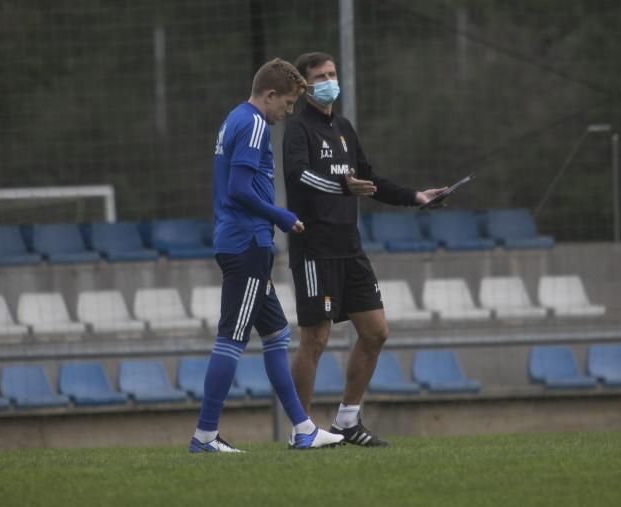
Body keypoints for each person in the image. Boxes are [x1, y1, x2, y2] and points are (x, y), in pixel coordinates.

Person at [283, 51, 446, 447]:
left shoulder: (344, 127)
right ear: (304, 86)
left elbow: (368, 179)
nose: (329, 80)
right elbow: (299, 177)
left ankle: (347, 421)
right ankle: (301, 430)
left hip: (349, 247)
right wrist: (342, 186)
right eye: (320, 76)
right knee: (315, 340)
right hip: (314, 249)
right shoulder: (298, 129)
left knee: (375, 332)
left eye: (332, 73)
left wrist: (416, 196)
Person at [190, 58, 345, 453]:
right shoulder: (255, 123)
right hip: (247, 243)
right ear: (270, 95)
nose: (288, 112)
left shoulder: (233, 118)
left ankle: (303, 428)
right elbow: (239, 189)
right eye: (288, 104)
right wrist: (281, 215)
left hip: (242, 240)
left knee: (276, 335)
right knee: (231, 338)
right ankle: (205, 436)